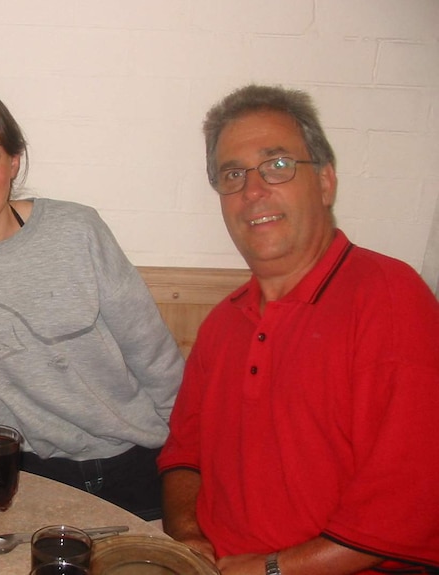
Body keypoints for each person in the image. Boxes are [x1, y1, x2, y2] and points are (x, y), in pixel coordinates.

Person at [158, 84, 439, 574]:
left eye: (278, 165)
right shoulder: (223, 324)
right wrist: (187, 537)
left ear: (326, 183)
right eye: (233, 174)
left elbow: (408, 504)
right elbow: (185, 456)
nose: (253, 190)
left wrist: (273, 569)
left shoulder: (390, 297)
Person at [0, 84, 185, 521]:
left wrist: (191, 461)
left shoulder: (77, 230)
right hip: (29, 479)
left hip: (135, 461)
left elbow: (154, 357)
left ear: (14, 160)